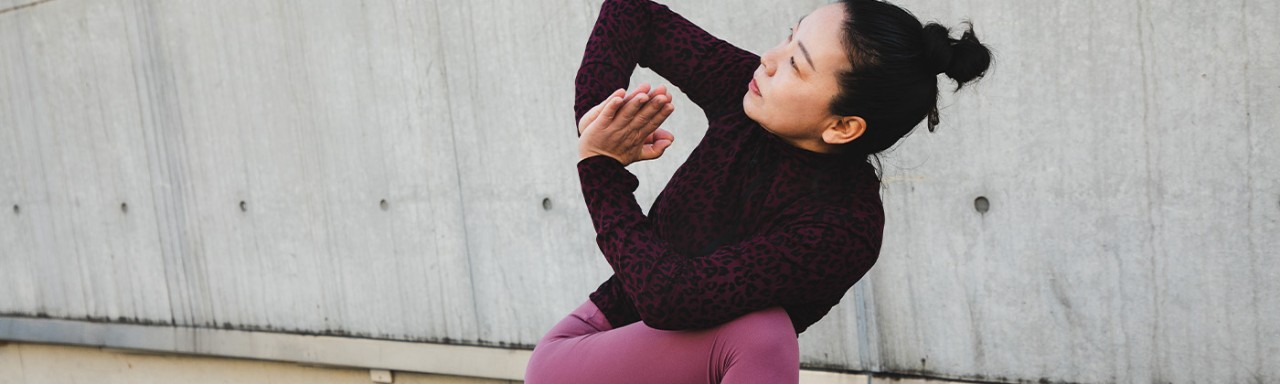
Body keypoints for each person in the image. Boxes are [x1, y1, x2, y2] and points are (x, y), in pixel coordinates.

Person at [526, 0, 992, 382]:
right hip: (578, 355)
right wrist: (602, 118)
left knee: (763, 332)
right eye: (788, 36)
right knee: (761, 332)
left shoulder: (845, 225)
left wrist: (601, 167)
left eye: (796, 63)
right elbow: (634, 13)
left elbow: (673, 299)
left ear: (843, 126)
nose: (769, 58)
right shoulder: (745, 94)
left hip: (690, 355)